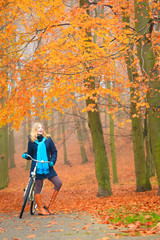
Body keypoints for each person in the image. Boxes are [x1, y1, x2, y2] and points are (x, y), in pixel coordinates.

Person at [22, 122, 62, 215]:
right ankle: (40, 209)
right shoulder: (31, 141)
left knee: (58, 183)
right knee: (38, 187)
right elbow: (30, 155)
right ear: (35, 130)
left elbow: (54, 152)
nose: (41, 129)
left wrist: (52, 161)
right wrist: (26, 155)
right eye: (38, 127)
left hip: (48, 166)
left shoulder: (48, 140)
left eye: (42, 127)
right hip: (37, 167)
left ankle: (48, 205)